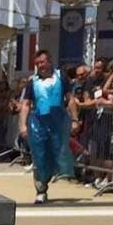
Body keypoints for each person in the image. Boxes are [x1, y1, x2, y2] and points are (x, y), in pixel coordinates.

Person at [19, 50, 78, 204]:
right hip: (38, 122)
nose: (40, 66)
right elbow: (25, 104)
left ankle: (49, 176)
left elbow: (70, 99)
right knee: (39, 155)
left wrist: (74, 119)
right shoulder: (33, 82)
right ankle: (40, 189)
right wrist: (23, 125)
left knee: (56, 153)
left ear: (49, 61)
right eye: (37, 63)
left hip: (58, 122)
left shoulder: (61, 78)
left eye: (42, 62)